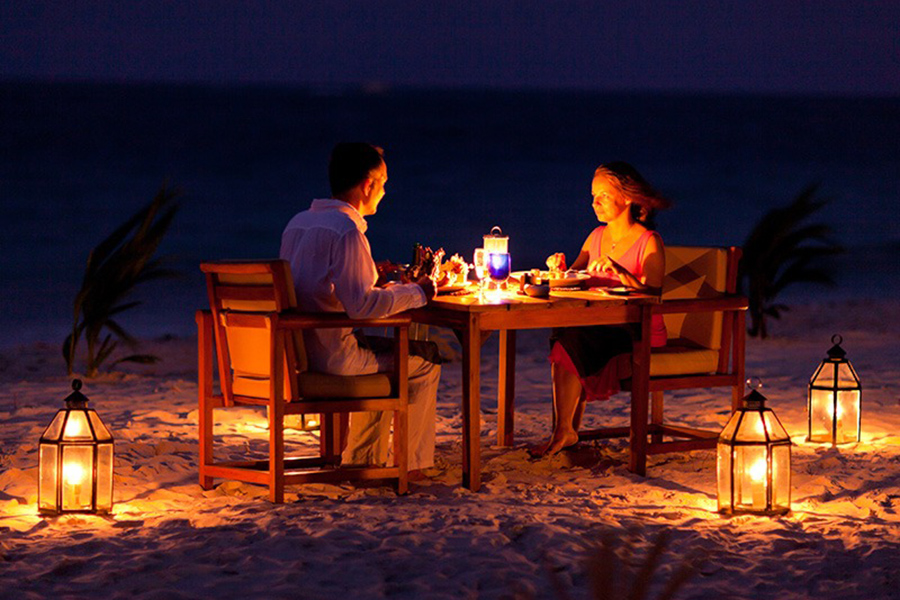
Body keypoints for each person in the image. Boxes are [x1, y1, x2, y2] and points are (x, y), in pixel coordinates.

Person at [279, 142, 440, 474]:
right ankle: (414, 466)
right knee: (425, 362)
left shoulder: (297, 223)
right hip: (333, 358)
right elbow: (363, 306)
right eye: (383, 183)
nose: (384, 191)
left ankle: (363, 460)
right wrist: (419, 291)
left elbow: (314, 284)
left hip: (296, 353)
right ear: (368, 185)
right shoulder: (347, 230)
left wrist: (371, 274)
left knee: (391, 352)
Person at [532, 162, 671, 457]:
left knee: (570, 338)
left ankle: (564, 431)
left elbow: (653, 293)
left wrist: (621, 272)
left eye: (604, 196)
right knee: (565, 334)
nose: (595, 203)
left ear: (628, 197)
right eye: (593, 196)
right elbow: (571, 279)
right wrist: (558, 268)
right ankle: (565, 430)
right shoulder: (596, 236)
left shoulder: (648, 241)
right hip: (600, 324)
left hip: (637, 328)